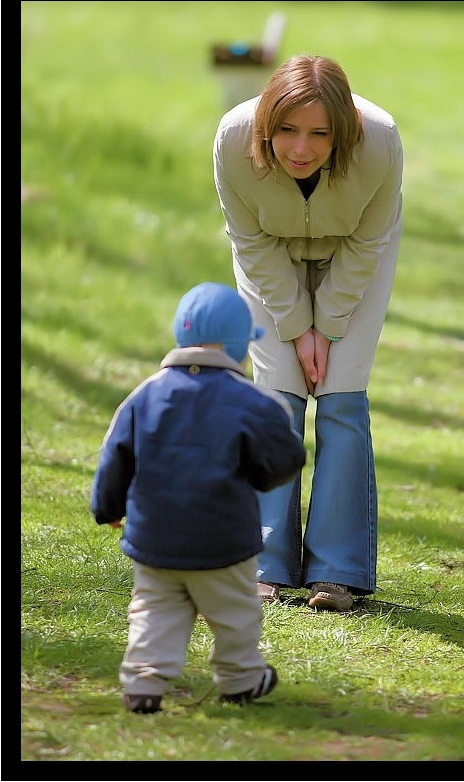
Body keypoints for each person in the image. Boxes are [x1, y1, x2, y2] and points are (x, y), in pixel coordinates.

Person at [213, 55, 403, 612]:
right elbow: (250, 242)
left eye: (320, 134)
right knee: (278, 395)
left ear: (342, 131)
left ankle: (338, 572)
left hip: (355, 263)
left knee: (342, 397)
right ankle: (265, 561)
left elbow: (370, 242)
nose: (302, 149)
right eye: (288, 131)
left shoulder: (381, 141)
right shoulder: (232, 139)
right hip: (270, 263)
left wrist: (330, 324)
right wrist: (298, 328)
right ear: (267, 124)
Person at [90, 282, 306, 713]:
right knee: (235, 613)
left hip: (156, 542)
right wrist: (259, 478)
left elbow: (115, 456)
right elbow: (286, 455)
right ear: (239, 347)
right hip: (223, 542)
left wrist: (108, 509)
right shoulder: (252, 401)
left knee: (154, 610)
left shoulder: (143, 396)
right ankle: (241, 678)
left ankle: (144, 684)